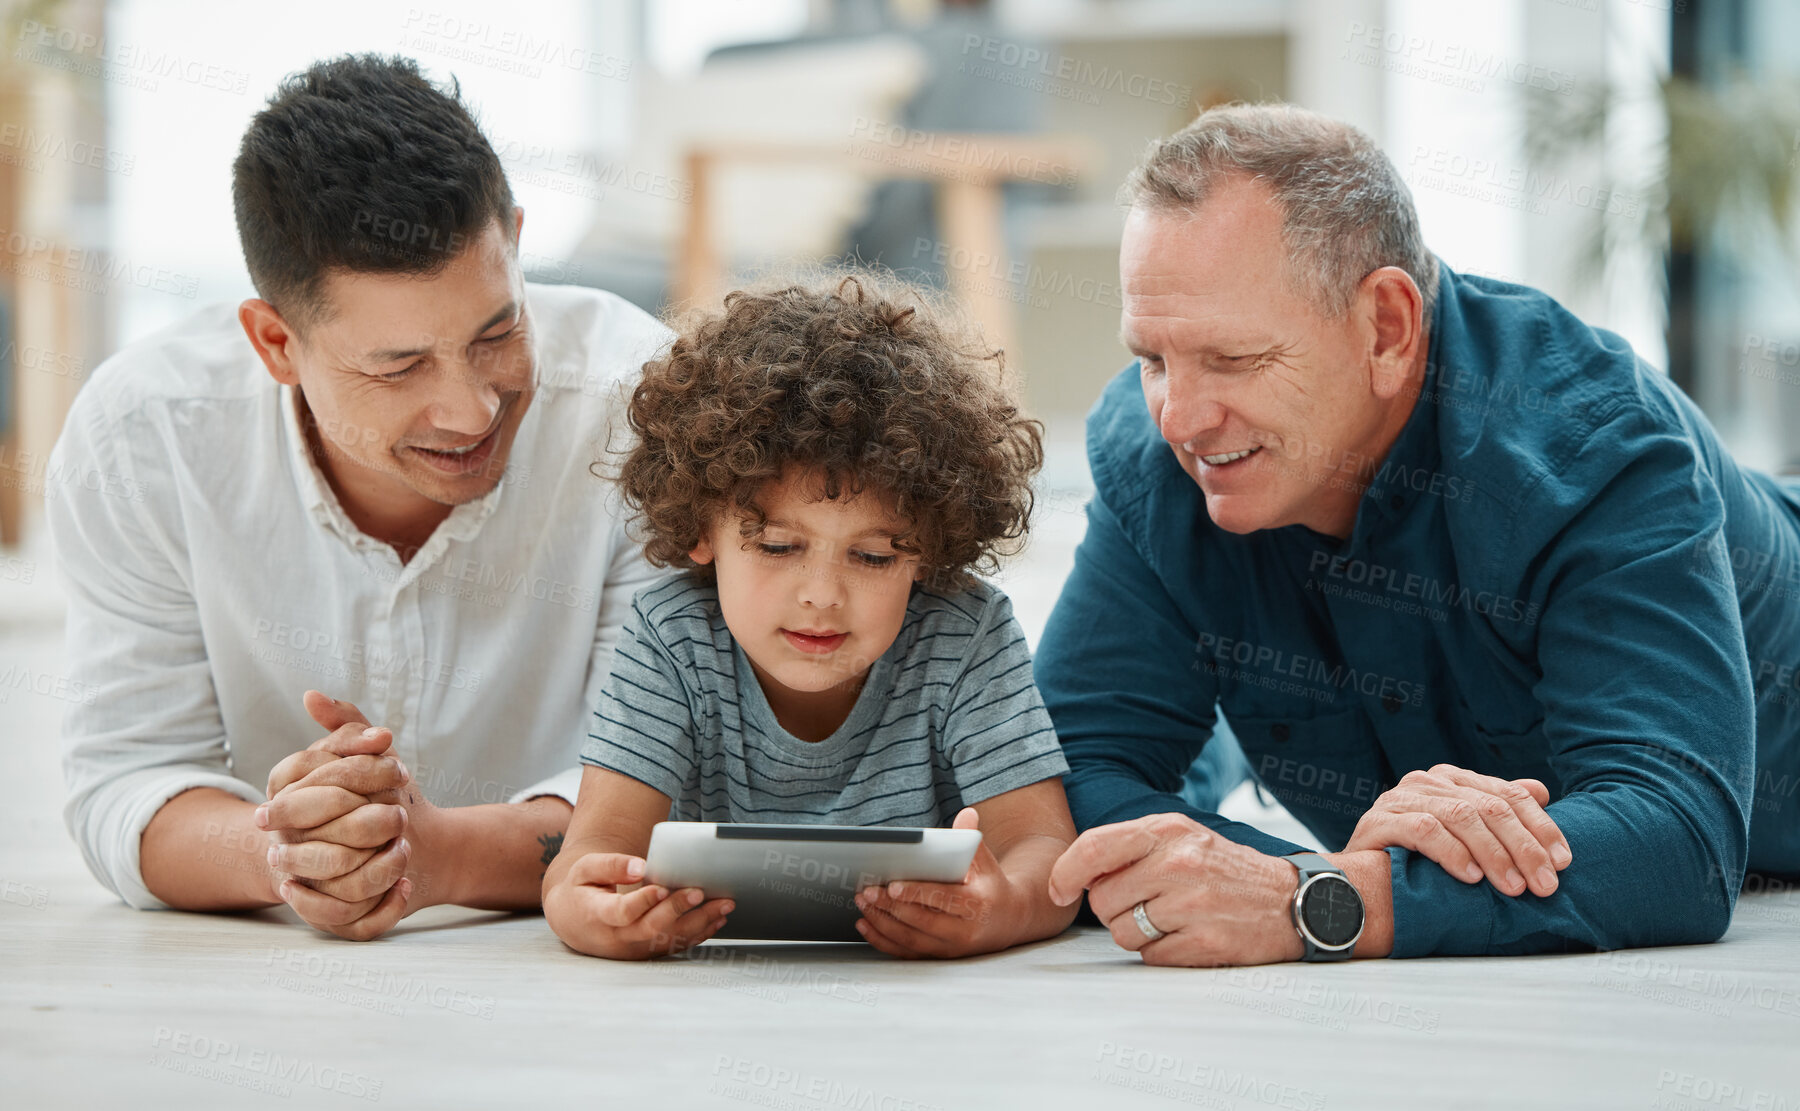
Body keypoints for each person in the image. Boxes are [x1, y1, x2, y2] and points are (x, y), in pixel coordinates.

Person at [1038, 103, 1800, 965]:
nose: (1180, 417)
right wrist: (1302, 877)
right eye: (1152, 358)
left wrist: (1319, 901)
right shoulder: (1157, 464)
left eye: (1235, 359)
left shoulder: (1589, 449)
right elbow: (1064, 779)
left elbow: (1677, 839)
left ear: (1387, 328)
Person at [47, 55, 669, 940]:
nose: (472, 408)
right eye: (399, 366)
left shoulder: (641, 409)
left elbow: (667, 773)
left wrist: (441, 852)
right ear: (275, 344)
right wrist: (287, 854)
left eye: (498, 332)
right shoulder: (144, 436)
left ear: (518, 245)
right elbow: (126, 779)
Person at [542, 274, 1079, 960]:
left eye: (876, 557)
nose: (822, 595)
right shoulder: (670, 635)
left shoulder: (965, 632)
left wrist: (1005, 908)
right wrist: (588, 910)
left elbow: (1042, 848)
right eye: (777, 546)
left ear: (930, 553)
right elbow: (591, 852)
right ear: (700, 531)